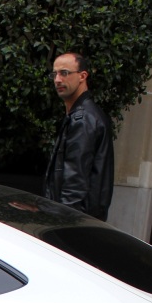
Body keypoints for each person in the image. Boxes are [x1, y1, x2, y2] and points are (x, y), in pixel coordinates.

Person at [43, 52, 114, 221]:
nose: (58, 80)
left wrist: (60, 224)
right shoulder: (82, 116)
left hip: (73, 223)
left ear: (83, 76)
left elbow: (75, 184)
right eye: (55, 74)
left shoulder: (83, 120)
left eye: (65, 73)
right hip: (79, 221)